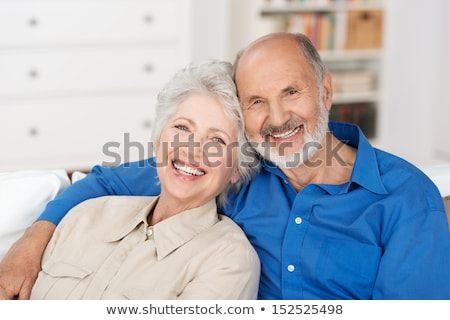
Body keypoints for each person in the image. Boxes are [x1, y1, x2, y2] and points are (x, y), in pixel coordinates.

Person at [1, 32, 449, 300]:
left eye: (291, 93)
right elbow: (103, 180)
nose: (276, 119)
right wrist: (29, 244)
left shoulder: (405, 197)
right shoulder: (234, 168)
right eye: (257, 101)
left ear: (326, 91)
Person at [29, 59, 261, 299]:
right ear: (159, 139)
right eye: (182, 128)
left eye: (217, 141)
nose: (192, 150)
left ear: (236, 169)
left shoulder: (227, 261)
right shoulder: (84, 216)